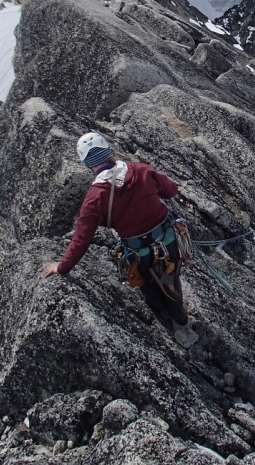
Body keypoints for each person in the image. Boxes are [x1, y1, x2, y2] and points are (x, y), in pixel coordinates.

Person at [42, 132, 197, 347]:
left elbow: (81, 239)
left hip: (138, 252)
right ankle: (180, 318)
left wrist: (62, 267)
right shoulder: (141, 170)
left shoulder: (94, 199)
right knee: (171, 274)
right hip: (169, 241)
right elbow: (169, 191)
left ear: (86, 163)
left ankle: (162, 313)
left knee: (147, 282)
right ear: (108, 150)